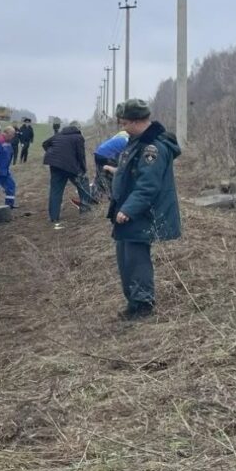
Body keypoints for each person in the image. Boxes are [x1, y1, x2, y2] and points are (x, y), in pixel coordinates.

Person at [106, 99, 181, 320]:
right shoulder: (136, 141)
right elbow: (135, 173)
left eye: (125, 123)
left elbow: (148, 185)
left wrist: (128, 209)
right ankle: (133, 303)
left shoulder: (152, 148)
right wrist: (117, 171)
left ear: (137, 121)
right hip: (131, 213)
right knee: (125, 259)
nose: (123, 127)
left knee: (136, 261)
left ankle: (142, 305)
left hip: (142, 214)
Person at [42, 121, 96, 230]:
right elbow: (81, 155)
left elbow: (45, 144)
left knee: (56, 190)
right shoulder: (78, 137)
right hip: (70, 166)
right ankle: (85, 209)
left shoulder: (58, 135)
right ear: (78, 128)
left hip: (55, 165)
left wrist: (53, 153)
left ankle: (54, 217)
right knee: (83, 183)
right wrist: (83, 169)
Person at [91, 130, 129, 202]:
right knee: (112, 177)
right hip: (106, 155)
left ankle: (94, 197)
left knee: (100, 176)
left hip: (98, 154)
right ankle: (113, 197)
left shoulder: (120, 136)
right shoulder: (128, 141)